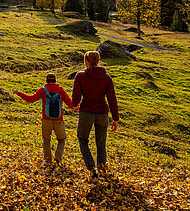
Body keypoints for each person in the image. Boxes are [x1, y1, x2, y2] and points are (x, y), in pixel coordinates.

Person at [72, 50, 119, 179]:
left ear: (86, 61)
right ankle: (102, 168)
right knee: (101, 143)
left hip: (86, 112)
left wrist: (75, 104)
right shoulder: (106, 78)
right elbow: (112, 99)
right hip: (102, 113)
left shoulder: (80, 76)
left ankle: (91, 168)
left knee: (82, 139)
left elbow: (75, 99)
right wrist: (115, 118)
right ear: (98, 61)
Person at [13, 72, 76, 165]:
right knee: (61, 140)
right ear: (55, 81)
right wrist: (80, 106)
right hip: (59, 120)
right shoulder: (61, 91)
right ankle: (58, 159)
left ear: (46, 80)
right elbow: (71, 105)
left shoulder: (43, 90)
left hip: (46, 119)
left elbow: (31, 99)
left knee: (46, 140)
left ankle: (48, 160)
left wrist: (19, 93)